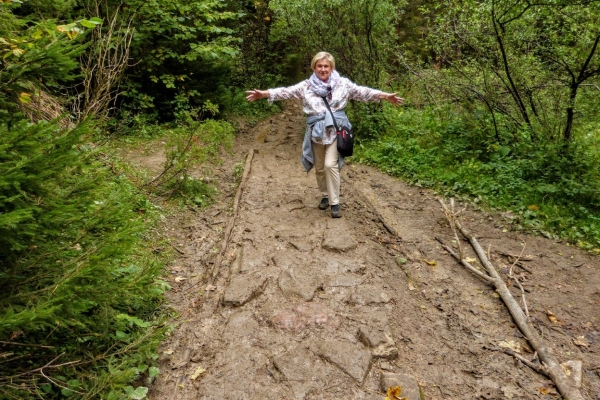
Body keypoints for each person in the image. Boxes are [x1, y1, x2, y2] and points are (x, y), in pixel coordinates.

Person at [246, 51, 404, 218]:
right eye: (319, 66)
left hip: (337, 130)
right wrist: (264, 94)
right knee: (320, 168)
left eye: (326, 66)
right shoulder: (306, 86)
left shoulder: (343, 84)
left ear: (331, 67)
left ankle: (335, 202)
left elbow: (363, 92)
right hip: (316, 132)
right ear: (314, 67)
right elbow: (286, 91)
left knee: (330, 164)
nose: (323, 69)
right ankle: (325, 195)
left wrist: (385, 96)